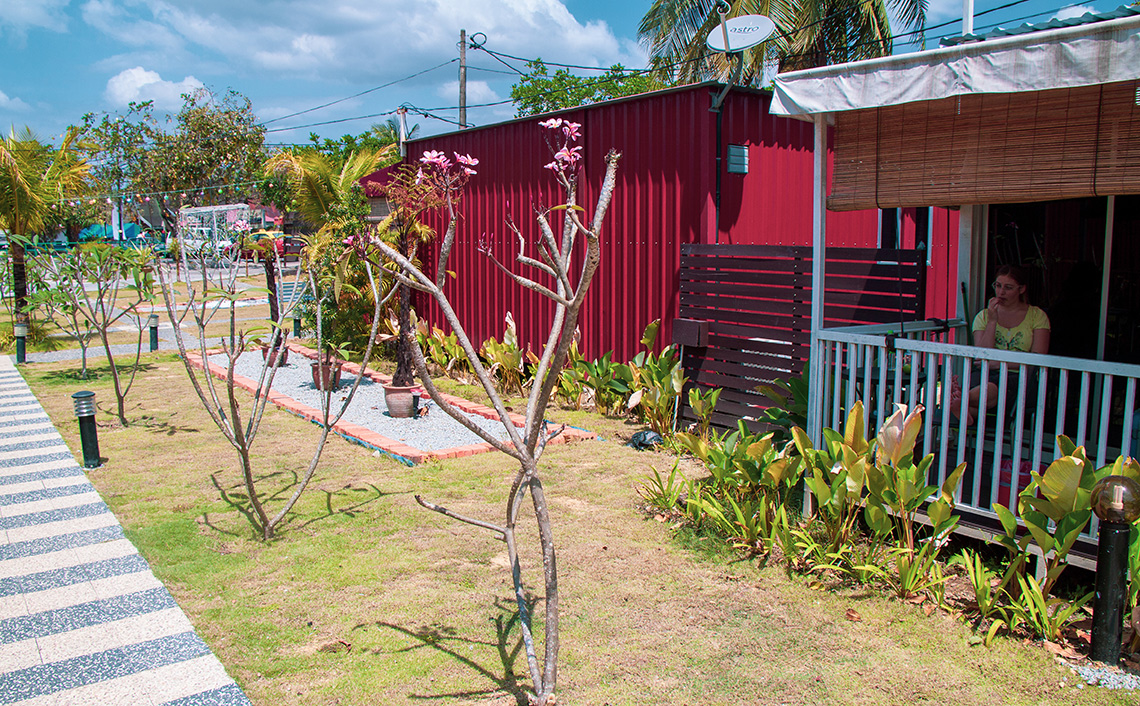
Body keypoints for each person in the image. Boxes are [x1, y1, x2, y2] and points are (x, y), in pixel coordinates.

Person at [950, 265, 1050, 425]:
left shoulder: (1037, 316)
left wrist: (1001, 363)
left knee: (991, 387)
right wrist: (992, 320)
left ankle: (960, 400)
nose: (1001, 292)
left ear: (1022, 289)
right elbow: (981, 355)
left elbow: (1038, 358)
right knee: (985, 386)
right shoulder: (983, 316)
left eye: (1008, 287)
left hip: (1020, 376)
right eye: (997, 286)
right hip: (985, 373)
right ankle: (964, 408)